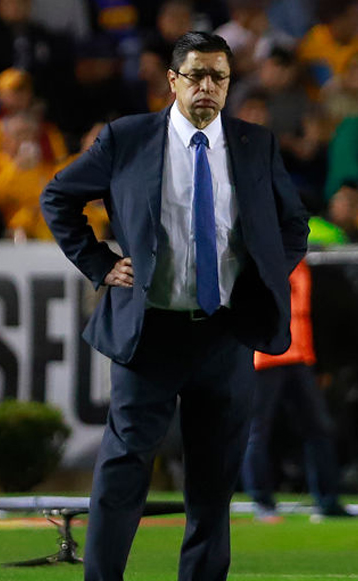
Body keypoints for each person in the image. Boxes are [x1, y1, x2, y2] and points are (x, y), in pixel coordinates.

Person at [40, 32, 308, 581]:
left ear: (229, 83)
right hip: (151, 333)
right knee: (123, 471)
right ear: (172, 80)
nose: (207, 86)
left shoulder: (256, 143)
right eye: (196, 75)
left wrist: (259, 277)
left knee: (213, 482)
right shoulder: (128, 138)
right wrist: (99, 263)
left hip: (225, 332)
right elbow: (58, 196)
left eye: (219, 76)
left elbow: (293, 225)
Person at [242, 257, 355, 522]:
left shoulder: (301, 264)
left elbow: (308, 313)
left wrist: (319, 361)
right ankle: (262, 501)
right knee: (258, 431)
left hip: (299, 356)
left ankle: (328, 501)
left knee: (319, 427)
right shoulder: (263, 258)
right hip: (266, 356)